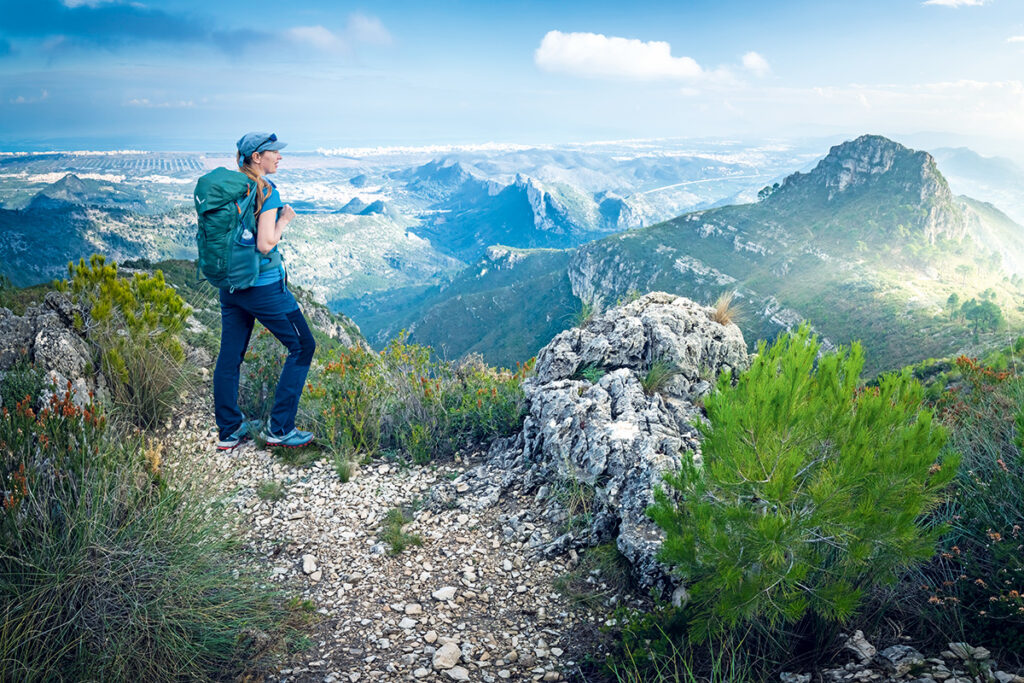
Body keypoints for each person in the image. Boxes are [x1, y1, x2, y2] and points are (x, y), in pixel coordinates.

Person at [213, 131, 316, 450]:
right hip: (263, 287)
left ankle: (229, 431)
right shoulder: (266, 190)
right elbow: (265, 242)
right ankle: (280, 429)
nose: (279, 156)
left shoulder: (229, 190)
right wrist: (284, 220)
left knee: (229, 356)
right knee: (303, 346)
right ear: (256, 157)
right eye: (274, 152)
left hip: (231, 286)